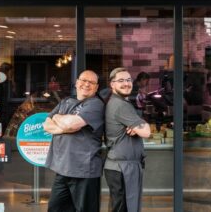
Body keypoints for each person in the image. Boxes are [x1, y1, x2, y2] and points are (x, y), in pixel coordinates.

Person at [43, 70, 104, 212]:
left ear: (96, 87)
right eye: (84, 80)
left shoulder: (95, 104)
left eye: (91, 82)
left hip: (84, 171)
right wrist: (63, 126)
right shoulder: (66, 101)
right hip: (63, 168)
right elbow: (46, 124)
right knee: (55, 208)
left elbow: (72, 124)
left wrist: (57, 118)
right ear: (77, 83)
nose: (86, 84)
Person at [104, 67, 151, 212]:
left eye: (128, 80)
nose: (126, 83)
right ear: (112, 84)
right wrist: (140, 124)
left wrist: (136, 124)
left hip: (121, 166)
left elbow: (140, 129)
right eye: (121, 80)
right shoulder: (120, 105)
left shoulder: (119, 102)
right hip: (122, 168)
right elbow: (146, 132)